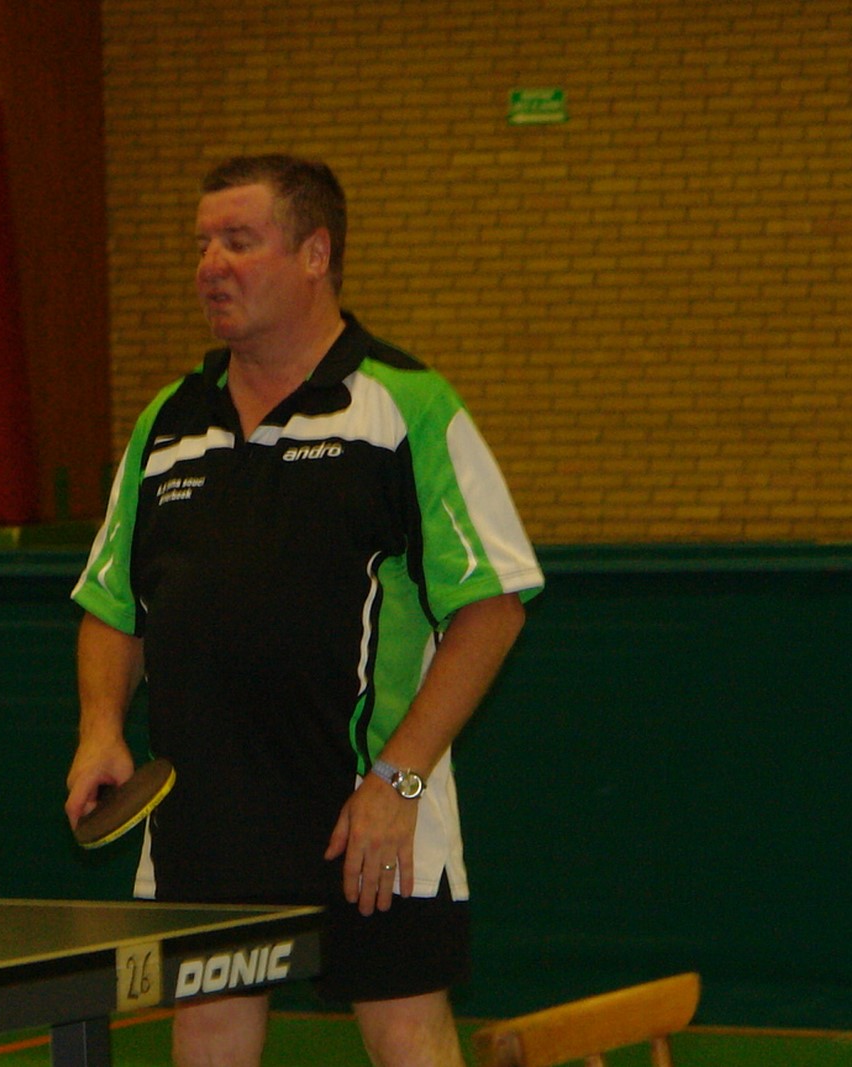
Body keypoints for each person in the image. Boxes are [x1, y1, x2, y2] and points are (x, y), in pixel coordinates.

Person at [65, 154, 544, 1067]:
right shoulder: (169, 421)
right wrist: (100, 728)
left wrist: (400, 781)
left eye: (239, 241)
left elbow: (493, 606)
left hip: (368, 807)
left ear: (316, 254)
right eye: (203, 243)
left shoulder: (405, 406)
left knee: (407, 1036)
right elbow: (112, 604)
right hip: (202, 814)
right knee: (208, 1037)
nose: (210, 264)